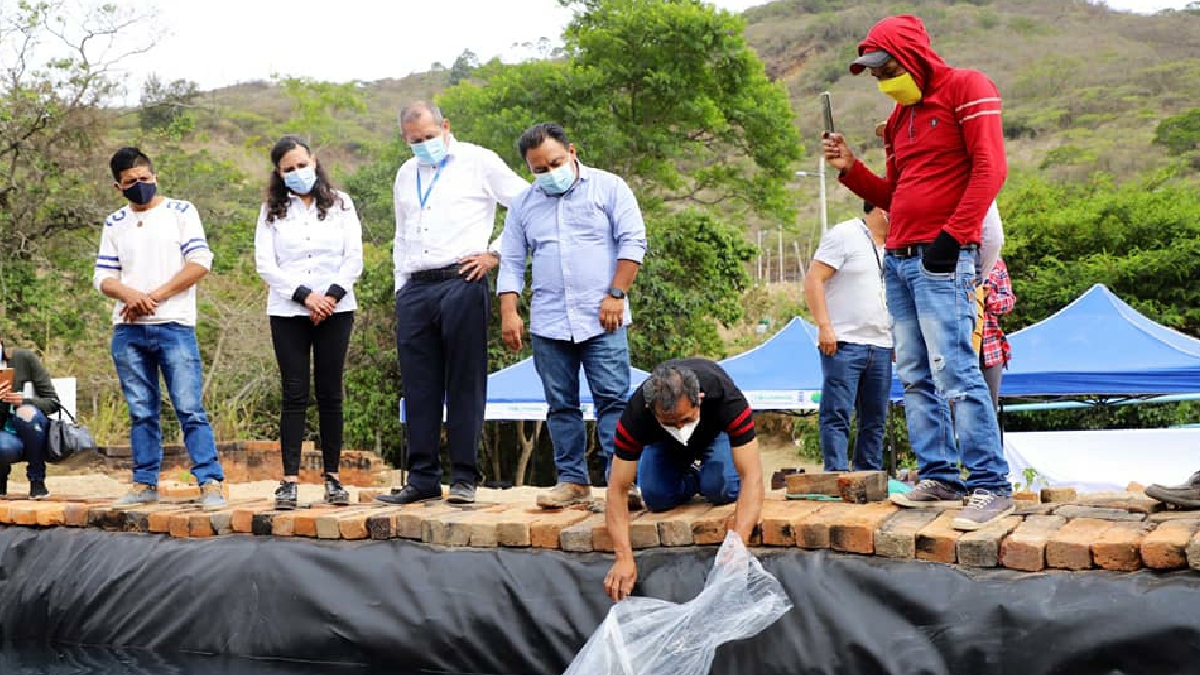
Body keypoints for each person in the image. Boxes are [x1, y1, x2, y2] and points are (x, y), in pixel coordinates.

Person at [822, 14, 1011, 530]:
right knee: (914, 372)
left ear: (912, 57)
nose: (883, 80)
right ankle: (941, 476)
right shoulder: (901, 118)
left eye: (886, 68)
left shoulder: (967, 88)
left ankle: (991, 483)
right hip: (900, 258)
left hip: (942, 256)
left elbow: (991, 167)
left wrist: (954, 237)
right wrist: (849, 169)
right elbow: (894, 196)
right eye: (876, 74)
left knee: (955, 367)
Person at [377, 102, 528, 506]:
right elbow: (402, 230)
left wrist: (494, 253)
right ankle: (422, 477)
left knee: (464, 381)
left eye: (429, 136)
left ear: (445, 126)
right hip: (416, 285)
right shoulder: (406, 173)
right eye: (416, 141)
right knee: (419, 385)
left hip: (463, 279)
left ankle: (464, 476)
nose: (424, 145)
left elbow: (526, 204)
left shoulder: (479, 161)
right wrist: (400, 287)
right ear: (405, 139)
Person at [497, 123, 648, 509]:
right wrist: (509, 312)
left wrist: (617, 293)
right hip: (549, 321)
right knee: (560, 405)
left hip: (603, 317)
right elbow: (512, 260)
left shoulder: (609, 187)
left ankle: (622, 485)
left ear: (572, 152)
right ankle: (572, 482)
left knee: (613, 401)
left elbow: (633, 240)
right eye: (539, 169)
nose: (549, 173)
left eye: (555, 163)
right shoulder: (524, 204)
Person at [93, 147, 226, 509]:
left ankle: (210, 480)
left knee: (189, 407)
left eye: (145, 179)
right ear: (117, 186)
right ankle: (144, 481)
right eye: (131, 182)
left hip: (174, 325)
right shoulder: (114, 222)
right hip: (129, 330)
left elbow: (200, 262)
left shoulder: (181, 211)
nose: (140, 186)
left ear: (155, 176)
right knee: (140, 410)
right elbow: (103, 276)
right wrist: (129, 295)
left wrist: (152, 297)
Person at [254, 136, 363, 509]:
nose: (297, 173)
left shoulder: (341, 203)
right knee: (294, 393)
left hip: (337, 308)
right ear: (279, 173)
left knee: (330, 392)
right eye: (289, 169)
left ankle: (332, 476)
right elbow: (266, 264)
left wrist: (330, 295)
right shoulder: (271, 210)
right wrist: (305, 296)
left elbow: (354, 257)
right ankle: (289, 480)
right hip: (289, 311)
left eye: (302, 165)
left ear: (314, 161)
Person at [603, 359, 764, 601]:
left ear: (699, 398)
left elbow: (752, 475)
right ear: (651, 410)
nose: (680, 427)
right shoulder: (636, 414)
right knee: (655, 497)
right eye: (670, 423)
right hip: (663, 444)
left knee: (720, 488)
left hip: (714, 435)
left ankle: (708, 476)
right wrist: (624, 557)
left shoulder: (725, 398)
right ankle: (690, 478)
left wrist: (738, 544)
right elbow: (617, 489)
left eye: (686, 420)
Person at [804, 201, 892, 472]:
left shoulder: (896, 246)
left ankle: (869, 475)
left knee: (875, 419)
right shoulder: (845, 234)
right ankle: (836, 473)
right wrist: (824, 326)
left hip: (882, 344)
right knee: (838, 412)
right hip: (844, 341)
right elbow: (813, 279)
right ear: (882, 208)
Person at [0, 340, 60, 499]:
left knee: (28, 414)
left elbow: (53, 402)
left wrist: (24, 401)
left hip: (34, 431)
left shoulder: (24, 359)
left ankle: (37, 480)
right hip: (5, 439)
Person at [978, 258, 1014, 410]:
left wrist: (987, 298)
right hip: (957, 347)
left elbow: (1009, 301)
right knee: (955, 407)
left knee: (989, 409)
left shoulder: (997, 263)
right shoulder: (951, 259)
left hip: (990, 349)